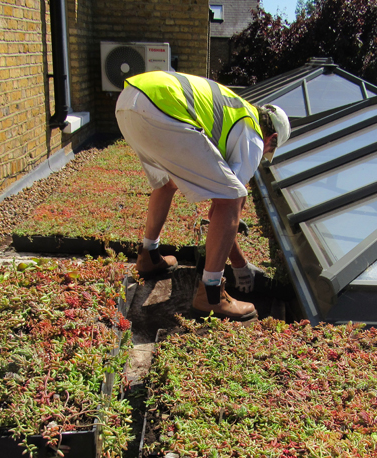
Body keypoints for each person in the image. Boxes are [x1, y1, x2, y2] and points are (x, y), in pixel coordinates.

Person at [115, 70, 290, 321]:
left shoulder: (238, 112)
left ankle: (148, 256)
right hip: (161, 108)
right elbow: (224, 206)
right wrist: (240, 266)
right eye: (269, 150)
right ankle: (211, 296)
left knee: (167, 183)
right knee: (230, 199)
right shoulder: (253, 136)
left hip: (130, 100)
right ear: (271, 138)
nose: (264, 155)